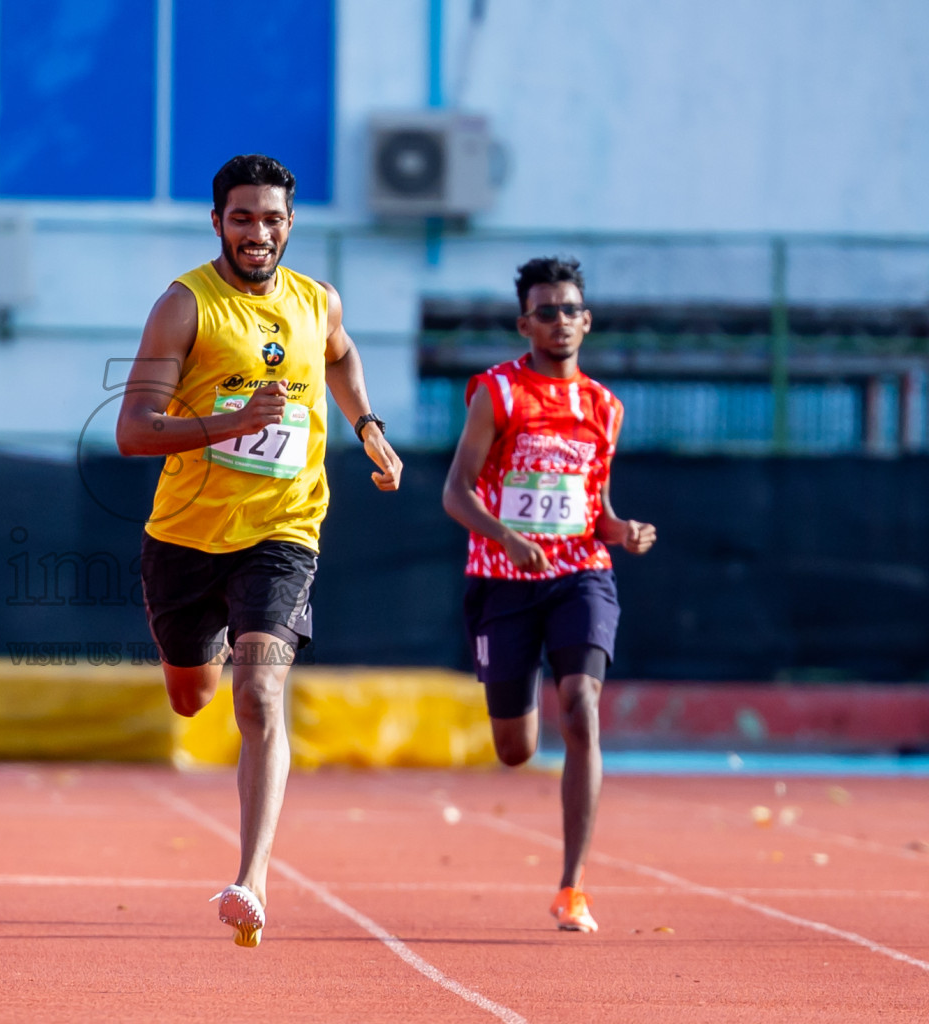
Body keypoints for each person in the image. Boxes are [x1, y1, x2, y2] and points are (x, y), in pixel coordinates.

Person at [116, 154, 402, 947]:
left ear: (290, 224)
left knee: (260, 693)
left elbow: (340, 356)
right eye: (242, 218)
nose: (258, 233)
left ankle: (253, 880)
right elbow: (132, 431)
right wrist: (231, 424)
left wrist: (368, 427)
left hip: (284, 531)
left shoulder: (317, 303)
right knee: (191, 696)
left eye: (272, 219)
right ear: (217, 222)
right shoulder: (185, 307)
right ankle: (192, 660)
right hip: (184, 536)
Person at [441, 256, 656, 933]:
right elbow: (457, 492)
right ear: (524, 323)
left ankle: (573, 886)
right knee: (514, 749)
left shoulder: (604, 407)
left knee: (581, 704)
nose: (559, 322)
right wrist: (505, 537)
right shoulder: (498, 394)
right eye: (546, 311)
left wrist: (621, 530)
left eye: (570, 310)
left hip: (579, 573)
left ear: (586, 321)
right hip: (503, 580)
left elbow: (598, 508)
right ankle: (516, 719)